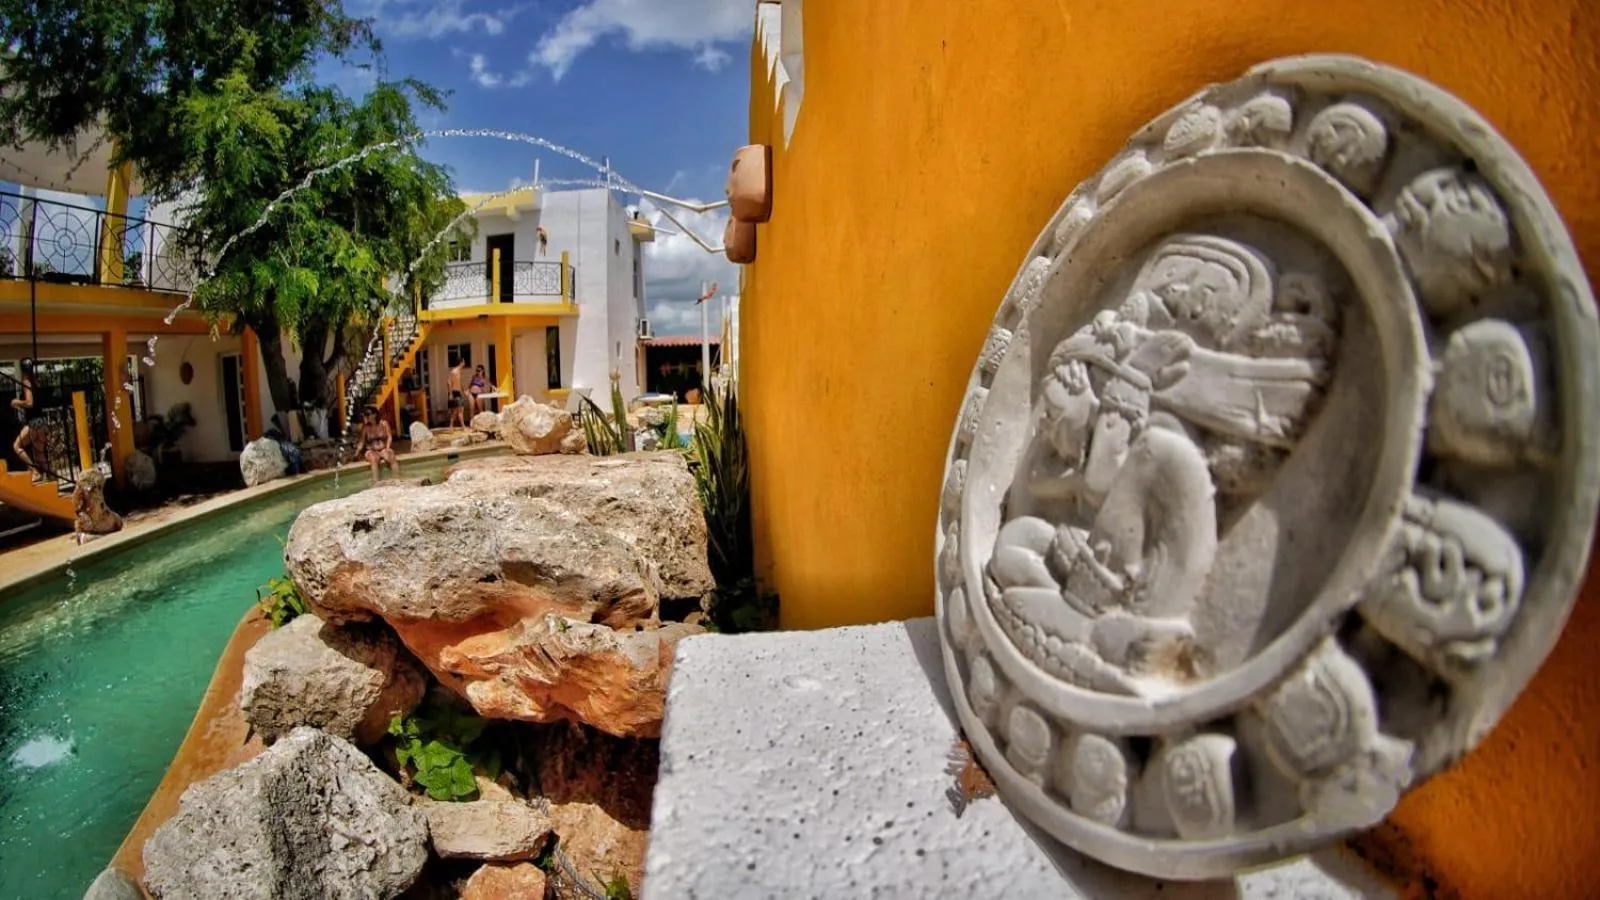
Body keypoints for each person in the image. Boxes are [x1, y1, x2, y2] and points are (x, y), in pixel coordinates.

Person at [357, 405, 399, 481]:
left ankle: (397, 479)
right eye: (366, 414)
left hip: (383, 448)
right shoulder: (366, 427)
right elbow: (361, 442)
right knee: (374, 459)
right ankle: (376, 481)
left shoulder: (384, 424)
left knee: (390, 456)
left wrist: (388, 448)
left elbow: (389, 436)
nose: (367, 416)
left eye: (368, 414)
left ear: (375, 414)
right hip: (371, 450)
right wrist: (356, 453)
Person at [447, 359, 468, 428]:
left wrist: (463, 391)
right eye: (464, 361)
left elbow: (459, 383)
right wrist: (450, 394)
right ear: (461, 363)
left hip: (458, 392)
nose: (465, 363)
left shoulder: (459, 371)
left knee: (456, 411)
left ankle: (451, 425)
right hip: (454, 392)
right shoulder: (454, 371)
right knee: (460, 410)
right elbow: (449, 382)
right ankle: (463, 426)